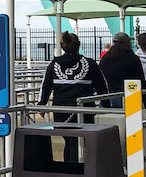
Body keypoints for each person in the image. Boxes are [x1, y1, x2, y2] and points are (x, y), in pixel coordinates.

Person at [37, 32, 108, 162]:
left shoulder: (53, 65)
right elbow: (102, 87)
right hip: (84, 110)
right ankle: (77, 168)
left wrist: (41, 105)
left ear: (63, 47)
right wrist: (107, 105)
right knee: (77, 140)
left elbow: (45, 86)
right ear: (78, 45)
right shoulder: (90, 64)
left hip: (61, 110)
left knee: (69, 140)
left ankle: (70, 168)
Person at [99, 32, 146, 109]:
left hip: (112, 95)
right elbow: (141, 80)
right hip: (132, 94)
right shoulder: (132, 58)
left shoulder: (105, 58)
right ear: (127, 43)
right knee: (132, 120)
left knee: (115, 119)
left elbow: (102, 78)